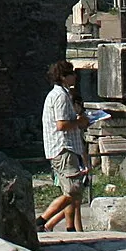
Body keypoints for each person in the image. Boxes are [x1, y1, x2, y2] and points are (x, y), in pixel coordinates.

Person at [38, 61, 90, 233]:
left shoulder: (65, 94)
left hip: (67, 148)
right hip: (63, 147)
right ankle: (42, 220)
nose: (75, 76)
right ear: (63, 77)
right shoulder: (60, 96)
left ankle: (70, 228)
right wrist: (79, 122)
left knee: (72, 191)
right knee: (73, 191)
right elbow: (61, 124)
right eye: (71, 73)